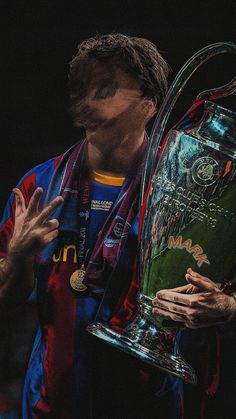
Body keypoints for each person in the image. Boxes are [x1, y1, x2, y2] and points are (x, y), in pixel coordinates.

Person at [0, 33, 235, 419]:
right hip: (50, 406)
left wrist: (226, 305)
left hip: (149, 405)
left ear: (150, 105)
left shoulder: (188, 189)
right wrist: (18, 257)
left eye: (107, 89)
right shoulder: (39, 185)